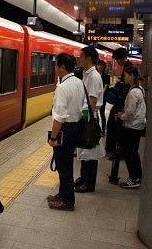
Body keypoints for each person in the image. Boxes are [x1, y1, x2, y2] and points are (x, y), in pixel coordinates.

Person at [47, 53, 85, 211]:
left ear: (62, 67)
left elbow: (60, 117)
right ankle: (62, 194)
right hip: (75, 127)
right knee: (66, 165)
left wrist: (53, 137)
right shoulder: (78, 82)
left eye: (57, 66)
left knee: (64, 167)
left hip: (65, 130)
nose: (55, 68)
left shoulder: (63, 87)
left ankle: (67, 201)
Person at [74, 47, 105, 193]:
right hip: (86, 115)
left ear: (89, 58)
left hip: (89, 117)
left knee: (90, 151)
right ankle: (83, 177)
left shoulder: (93, 77)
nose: (79, 58)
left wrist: (84, 121)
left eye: (81, 56)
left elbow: (92, 102)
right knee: (84, 149)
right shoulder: (86, 74)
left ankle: (89, 183)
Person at [114, 65, 146, 188]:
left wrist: (121, 116)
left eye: (126, 75)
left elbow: (130, 112)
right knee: (133, 152)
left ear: (132, 76)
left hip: (131, 127)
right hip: (136, 126)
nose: (124, 78)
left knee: (130, 153)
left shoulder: (134, 92)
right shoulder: (140, 89)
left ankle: (134, 178)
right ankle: (138, 176)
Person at [105, 47, 133, 157]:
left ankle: (113, 150)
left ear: (121, 58)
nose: (117, 62)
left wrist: (121, 109)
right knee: (113, 127)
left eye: (117, 60)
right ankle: (112, 149)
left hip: (121, 104)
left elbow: (125, 89)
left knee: (114, 127)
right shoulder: (128, 66)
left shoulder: (128, 68)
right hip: (120, 103)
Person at [96, 59, 110, 135]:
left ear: (104, 66)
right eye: (98, 65)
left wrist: (101, 94)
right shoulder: (95, 75)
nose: (100, 66)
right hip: (95, 96)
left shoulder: (106, 76)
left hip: (102, 97)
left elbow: (106, 86)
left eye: (101, 65)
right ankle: (97, 128)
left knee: (102, 113)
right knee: (95, 114)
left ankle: (103, 129)